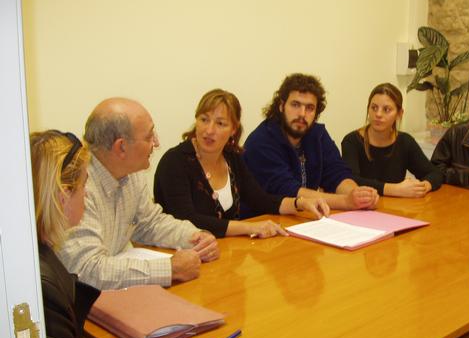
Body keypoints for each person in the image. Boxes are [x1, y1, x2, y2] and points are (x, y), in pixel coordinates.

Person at [30, 130, 205, 338]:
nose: (87, 195)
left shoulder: (39, 253)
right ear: (62, 195)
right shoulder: (41, 283)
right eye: (83, 187)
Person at [57, 98, 219, 290]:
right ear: (121, 147)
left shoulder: (131, 172)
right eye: (149, 137)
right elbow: (87, 270)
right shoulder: (78, 187)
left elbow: (150, 223)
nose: (156, 143)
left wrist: (195, 236)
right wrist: (170, 269)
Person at [154, 89, 330, 238]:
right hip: (182, 254)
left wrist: (299, 203)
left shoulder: (232, 158)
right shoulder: (174, 161)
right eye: (204, 119)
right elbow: (187, 220)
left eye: (220, 123)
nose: (209, 130)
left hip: (223, 251)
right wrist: (249, 227)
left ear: (233, 129)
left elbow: (261, 200)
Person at [243, 73, 379, 212]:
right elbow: (287, 190)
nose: (302, 114)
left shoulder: (317, 135)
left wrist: (359, 196)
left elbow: (337, 174)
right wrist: (345, 201)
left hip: (304, 216)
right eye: (295, 105)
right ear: (281, 106)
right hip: (263, 219)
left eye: (309, 108)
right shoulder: (261, 141)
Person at [341, 82, 443, 197]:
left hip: (395, 206)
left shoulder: (405, 142)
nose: (378, 114)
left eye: (386, 109)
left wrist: (422, 187)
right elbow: (350, 181)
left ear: (399, 114)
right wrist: (394, 189)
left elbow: (434, 173)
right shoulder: (351, 141)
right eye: (374, 108)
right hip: (364, 206)